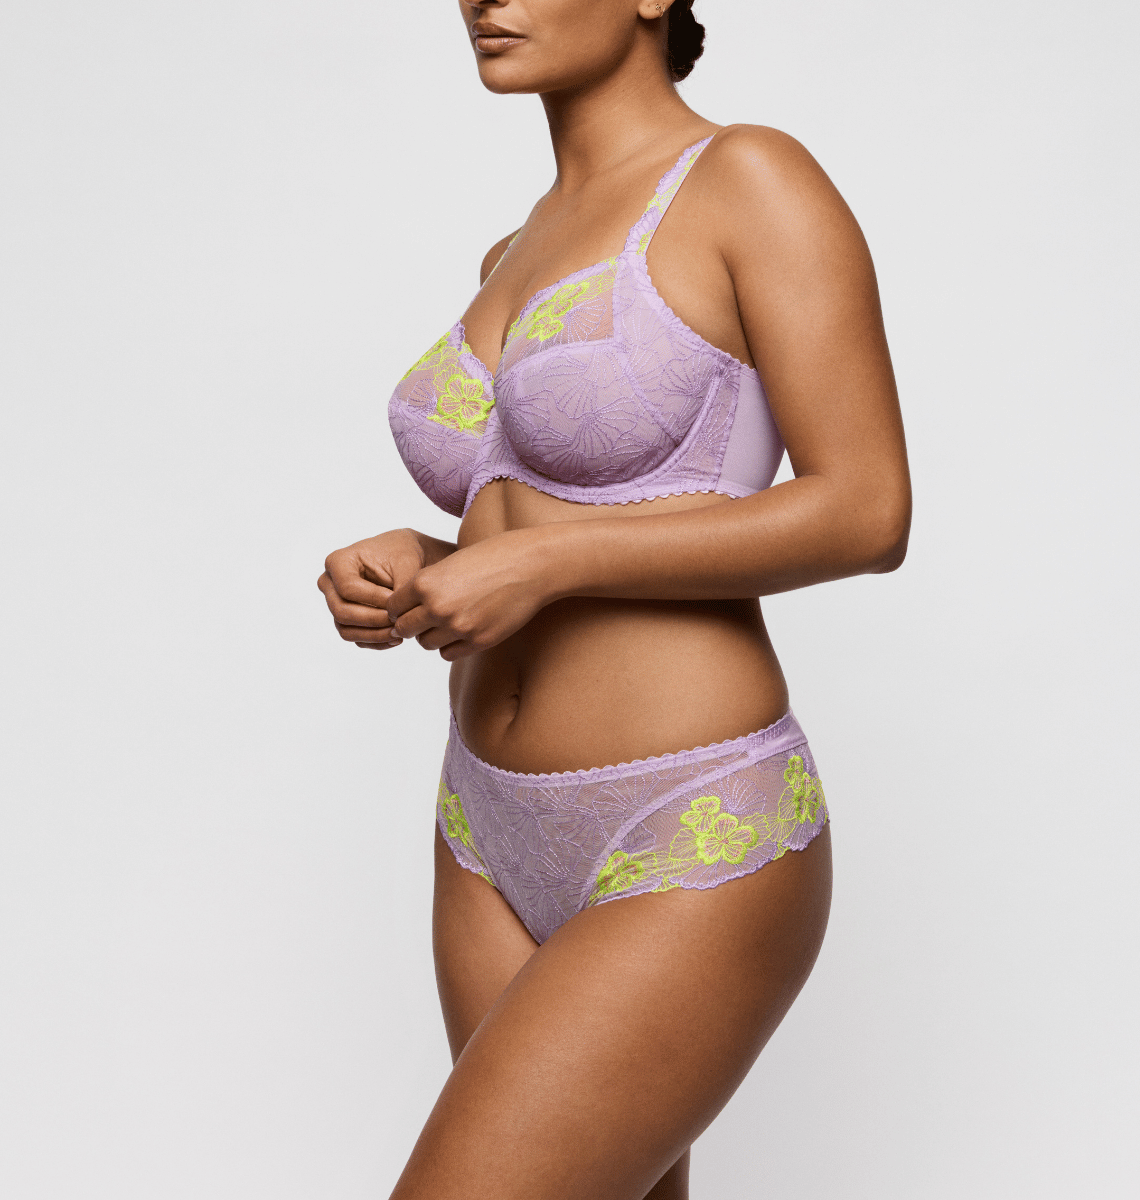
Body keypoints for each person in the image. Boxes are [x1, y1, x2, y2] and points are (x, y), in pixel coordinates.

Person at [317, 2, 910, 1196]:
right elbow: (533, 515)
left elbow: (865, 509)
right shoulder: (515, 246)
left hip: (685, 821)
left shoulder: (748, 178)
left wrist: (543, 565)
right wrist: (428, 563)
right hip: (482, 830)